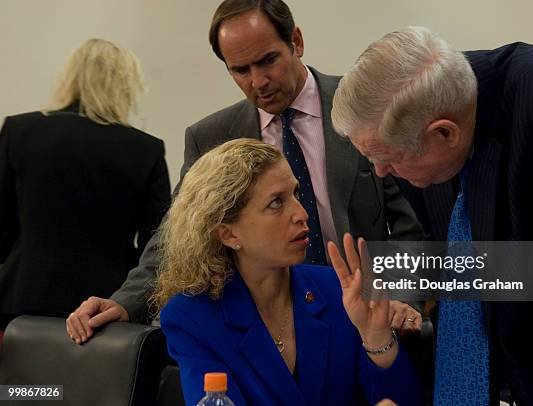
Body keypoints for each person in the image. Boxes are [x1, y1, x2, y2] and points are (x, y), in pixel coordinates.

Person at [66, 0, 422, 344]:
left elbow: (409, 223)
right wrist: (125, 302)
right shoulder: (211, 138)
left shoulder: (361, 106)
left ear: (295, 42)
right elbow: (175, 238)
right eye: (241, 70)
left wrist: (403, 297)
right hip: (266, 330)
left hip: (368, 319)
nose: (258, 81)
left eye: (268, 61)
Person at [331, 27, 533, 405]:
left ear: (445, 133)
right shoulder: (422, 119)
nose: (382, 173)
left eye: (391, 159)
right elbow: (479, 278)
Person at [155, 138, 420, 406]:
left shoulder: (337, 289)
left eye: (295, 194)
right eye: (276, 203)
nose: (302, 213)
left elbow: (400, 401)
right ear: (228, 233)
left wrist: (376, 337)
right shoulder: (193, 317)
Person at [0, 39, 171, 331]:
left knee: (25, 379)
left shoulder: (19, 131)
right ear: (126, 86)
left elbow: (2, 227)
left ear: (70, 79)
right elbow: (156, 245)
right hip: (105, 309)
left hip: (23, 301)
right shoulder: (146, 149)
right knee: (93, 379)